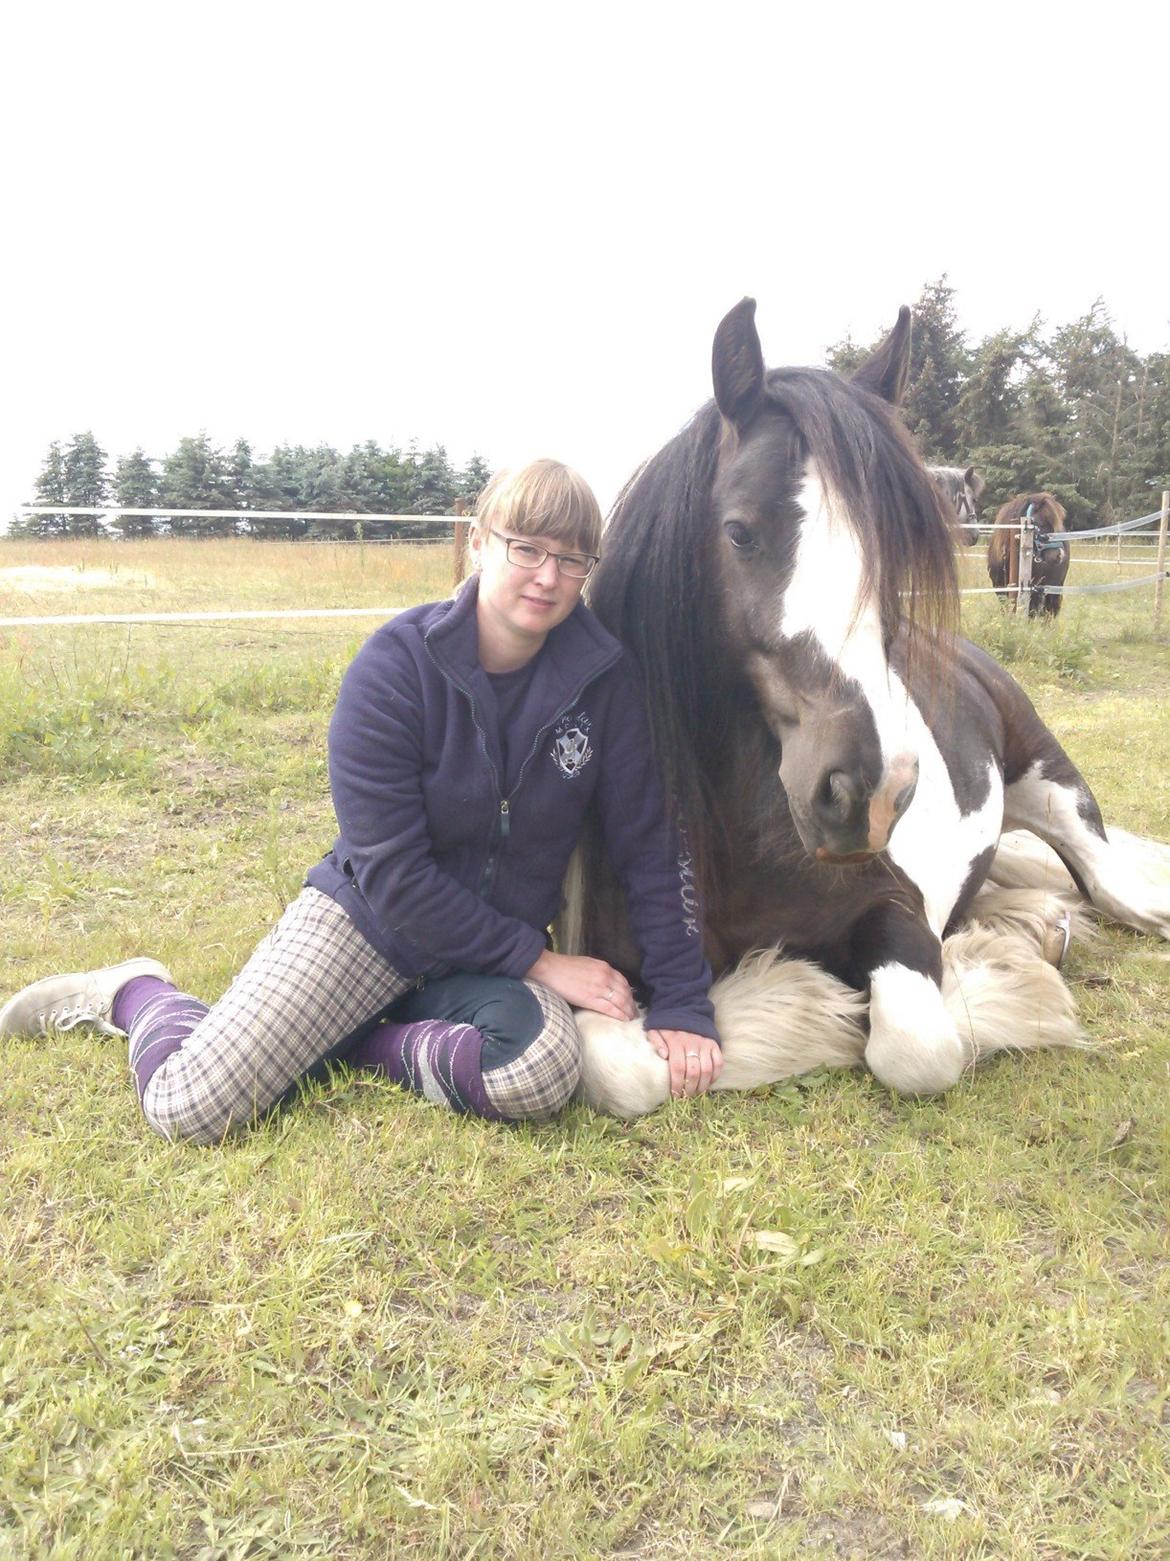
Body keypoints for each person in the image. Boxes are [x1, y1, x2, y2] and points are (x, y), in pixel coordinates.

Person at [1, 460, 720, 1143]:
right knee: (189, 1105)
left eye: (571, 559)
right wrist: (541, 962)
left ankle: (360, 1036)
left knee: (542, 1070)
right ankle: (135, 992)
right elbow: (395, 876)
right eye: (526, 547)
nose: (548, 575)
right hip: (373, 926)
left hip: (485, 955)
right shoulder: (395, 666)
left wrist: (685, 1003)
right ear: (477, 541)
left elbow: (650, 841)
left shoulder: (605, 681)